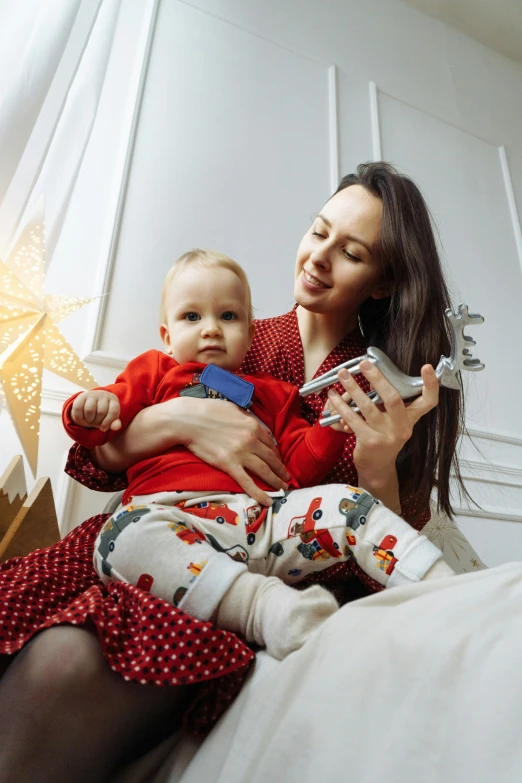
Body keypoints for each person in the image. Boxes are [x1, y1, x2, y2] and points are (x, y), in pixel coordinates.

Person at [0, 162, 466, 782]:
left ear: (381, 284)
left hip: (267, 566)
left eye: (349, 252)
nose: (319, 257)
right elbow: (104, 458)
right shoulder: (231, 340)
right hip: (159, 532)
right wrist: (179, 422)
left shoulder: (377, 382)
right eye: (318, 230)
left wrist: (376, 467)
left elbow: (362, 533)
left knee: (77, 669)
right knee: (60, 657)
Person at [63, 249, 453, 660]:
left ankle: (444, 588)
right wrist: (88, 407)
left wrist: (331, 427)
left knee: (347, 502)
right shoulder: (153, 371)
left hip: (259, 522)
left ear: (251, 334)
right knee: (119, 536)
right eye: (192, 317)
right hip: (169, 515)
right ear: (166, 336)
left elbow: (296, 472)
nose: (211, 329)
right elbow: (103, 425)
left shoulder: (277, 394)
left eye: (228, 317)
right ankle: (265, 609)